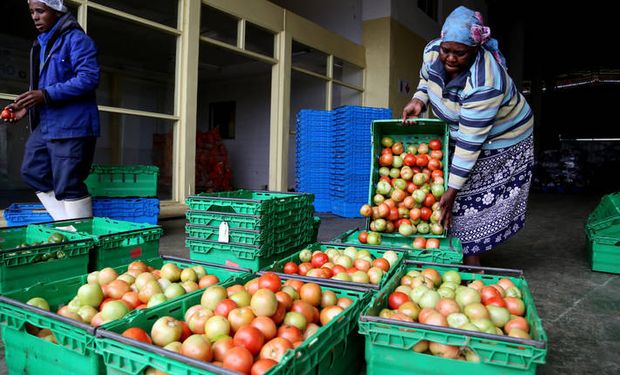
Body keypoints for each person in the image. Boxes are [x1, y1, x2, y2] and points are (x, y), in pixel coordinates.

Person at [402, 6, 534, 266]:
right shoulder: (431, 52)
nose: (450, 58)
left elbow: (469, 143)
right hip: (463, 131)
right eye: (446, 50)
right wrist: (419, 99)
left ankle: (473, 264)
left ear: (475, 50)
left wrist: (452, 190)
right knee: (454, 190)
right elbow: (426, 78)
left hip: (505, 138)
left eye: (459, 53)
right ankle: (458, 253)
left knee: (466, 197)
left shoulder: (485, 82)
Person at [2, 0, 100, 220]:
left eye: (40, 11)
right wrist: (26, 105)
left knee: (69, 183)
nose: (35, 17)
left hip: (73, 125)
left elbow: (89, 77)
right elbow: (42, 84)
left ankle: (79, 238)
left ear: (57, 11)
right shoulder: (40, 43)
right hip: (47, 123)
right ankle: (66, 226)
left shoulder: (77, 40)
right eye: (31, 12)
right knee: (32, 171)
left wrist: (45, 95)